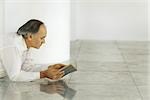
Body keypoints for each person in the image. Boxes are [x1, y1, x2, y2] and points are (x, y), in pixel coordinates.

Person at [0, 19, 66, 81]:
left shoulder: (26, 43)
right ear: (30, 37)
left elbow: (27, 67)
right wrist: (44, 74)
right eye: (42, 38)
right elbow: (15, 76)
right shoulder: (13, 45)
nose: (44, 42)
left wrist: (49, 67)